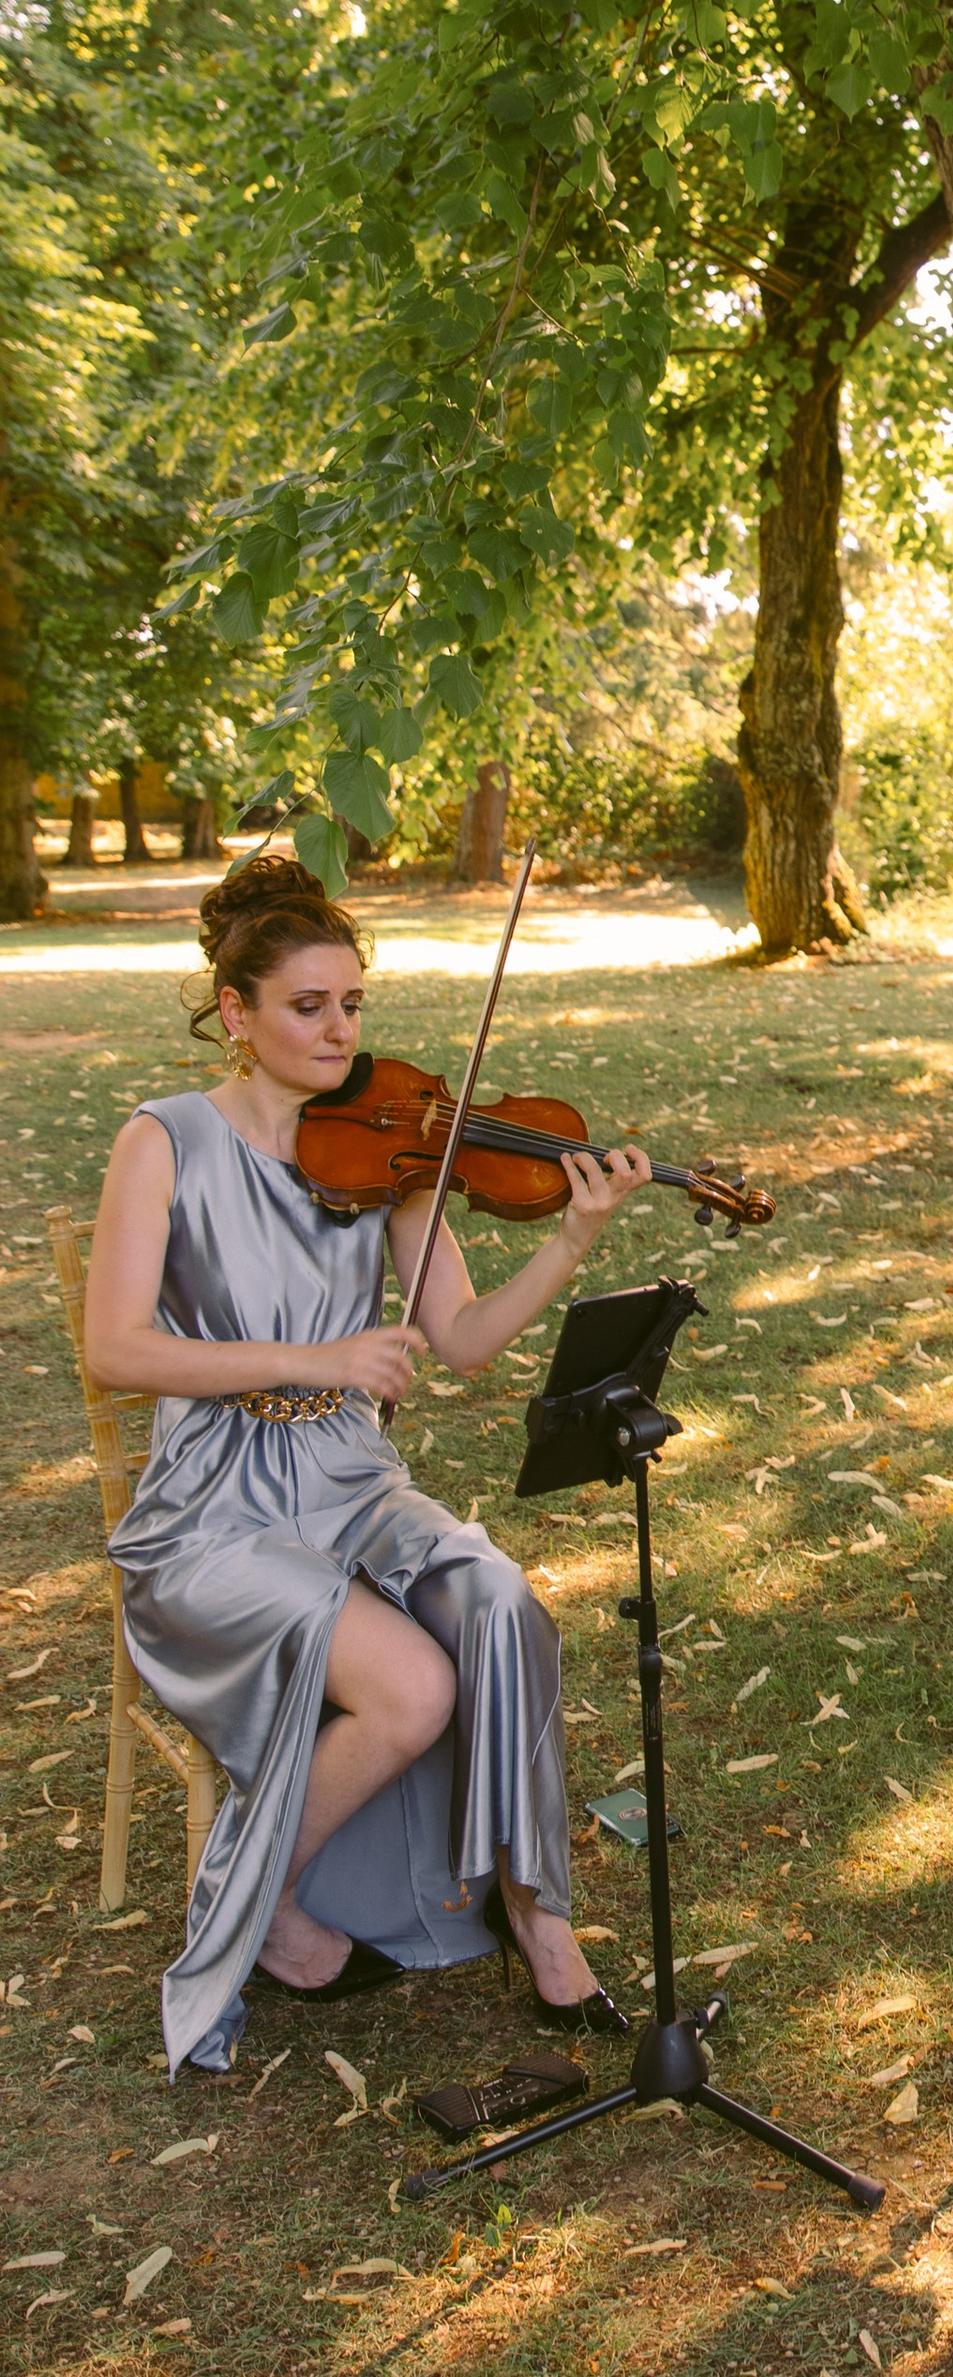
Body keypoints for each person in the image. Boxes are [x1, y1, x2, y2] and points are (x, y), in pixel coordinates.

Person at [85, 852, 655, 2076]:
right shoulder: (167, 1140)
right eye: (308, 1007)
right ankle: (260, 1901)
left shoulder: (392, 1143)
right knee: (412, 1689)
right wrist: (317, 1358)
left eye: (352, 1003)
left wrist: (571, 1240)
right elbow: (115, 1348)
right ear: (236, 1014)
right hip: (213, 1511)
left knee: (502, 1603)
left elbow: (458, 1342)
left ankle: (538, 1916)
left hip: (351, 1485)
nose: (339, 1030)